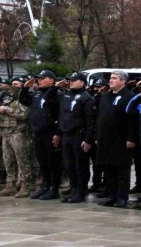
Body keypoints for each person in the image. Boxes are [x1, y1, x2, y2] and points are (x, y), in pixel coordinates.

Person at [96, 71, 137, 208]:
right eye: (110, 78)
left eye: (114, 78)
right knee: (108, 169)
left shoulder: (129, 97)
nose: (111, 80)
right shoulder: (105, 96)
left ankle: (122, 197)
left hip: (121, 139)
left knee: (121, 170)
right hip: (105, 139)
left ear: (123, 81)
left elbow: (132, 120)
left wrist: (131, 137)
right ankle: (111, 195)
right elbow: (100, 117)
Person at [19, 70, 62, 200]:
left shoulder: (57, 94)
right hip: (38, 133)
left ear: (52, 80)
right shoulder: (37, 94)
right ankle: (45, 186)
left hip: (51, 132)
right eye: (39, 78)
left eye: (43, 78)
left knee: (52, 162)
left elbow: (61, 115)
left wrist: (57, 133)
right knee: (42, 161)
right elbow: (24, 101)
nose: (40, 80)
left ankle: (54, 189)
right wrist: (25, 88)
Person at [55, 72, 96, 203]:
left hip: (79, 135)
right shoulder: (66, 96)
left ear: (82, 83)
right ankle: (73, 189)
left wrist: (88, 139)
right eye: (70, 80)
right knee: (69, 164)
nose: (71, 82)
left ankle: (81, 190)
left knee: (80, 165)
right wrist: (56, 87)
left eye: (74, 80)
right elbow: (61, 116)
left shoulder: (86, 98)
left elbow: (90, 121)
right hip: (66, 135)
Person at [0, 77, 31, 198]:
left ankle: (25, 186)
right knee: (8, 161)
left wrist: (6, 109)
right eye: (12, 83)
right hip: (6, 133)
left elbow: (24, 115)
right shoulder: (5, 98)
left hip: (18, 133)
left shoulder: (23, 99)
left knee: (22, 160)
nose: (13, 86)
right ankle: (10, 185)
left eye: (16, 84)